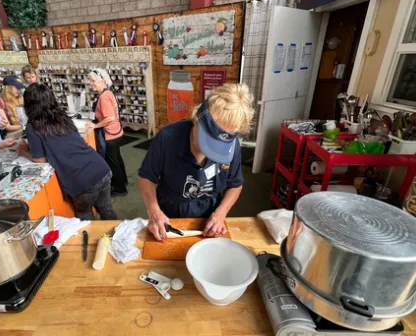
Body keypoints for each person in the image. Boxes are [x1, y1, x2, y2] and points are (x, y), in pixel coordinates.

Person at [138, 83, 254, 241]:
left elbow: (235, 184)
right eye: (210, 141)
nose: (212, 151)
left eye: (219, 145)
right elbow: (146, 177)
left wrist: (220, 214)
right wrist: (154, 212)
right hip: (168, 213)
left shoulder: (232, 147)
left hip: (208, 217)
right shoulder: (168, 137)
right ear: (197, 119)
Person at [16, 83, 117, 221]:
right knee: (107, 211)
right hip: (101, 168)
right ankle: (116, 238)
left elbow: (40, 159)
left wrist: (23, 151)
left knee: (86, 217)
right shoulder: (63, 116)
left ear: (29, 104)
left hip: (82, 180)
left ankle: (93, 240)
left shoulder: (33, 127)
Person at [85, 69, 128, 197]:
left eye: (93, 81)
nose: (91, 84)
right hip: (116, 132)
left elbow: (109, 118)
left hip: (110, 135)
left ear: (102, 80)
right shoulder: (108, 93)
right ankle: (123, 182)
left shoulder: (104, 97)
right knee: (117, 160)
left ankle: (120, 189)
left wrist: (95, 125)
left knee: (112, 163)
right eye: (90, 81)